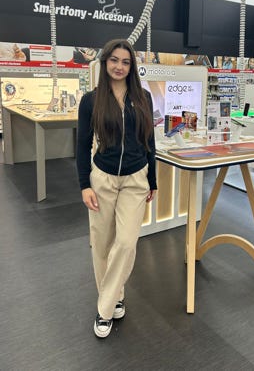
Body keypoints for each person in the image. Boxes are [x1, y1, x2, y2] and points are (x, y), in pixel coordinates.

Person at [76, 39, 157, 338]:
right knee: (102, 243)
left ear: (131, 66)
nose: (119, 66)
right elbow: (83, 146)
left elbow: (150, 142)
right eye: (114, 60)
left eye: (125, 62)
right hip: (103, 179)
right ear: (105, 62)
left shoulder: (144, 98)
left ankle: (104, 308)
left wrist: (153, 181)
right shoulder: (91, 100)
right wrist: (85, 184)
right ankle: (115, 297)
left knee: (125, 243)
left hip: (136, 179)